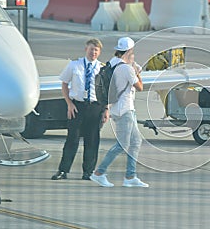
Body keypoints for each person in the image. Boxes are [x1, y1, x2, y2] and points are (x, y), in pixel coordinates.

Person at [90, 37, 148, 188]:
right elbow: (140, 87)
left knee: (136, 141)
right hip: (125, 110)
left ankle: (130, 176)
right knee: (122, 145)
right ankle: (99, 173)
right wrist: (136, 71)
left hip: (117, 108)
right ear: (129, 51)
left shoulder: (112, 63)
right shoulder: (127, 68)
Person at [51, 38, 109, 180]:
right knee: (72, 139)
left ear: (99, 52)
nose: (93, 52)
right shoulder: (74, 65)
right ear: (86, 49)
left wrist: (106, 109)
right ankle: (63, 170)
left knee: (92, 140)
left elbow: (107, 91)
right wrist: (69, 103)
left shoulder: (103, 68)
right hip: (77, 106)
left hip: (95, 107)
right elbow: (64, 84)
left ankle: (88, 172)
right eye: (91, 49)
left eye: (96, 50)